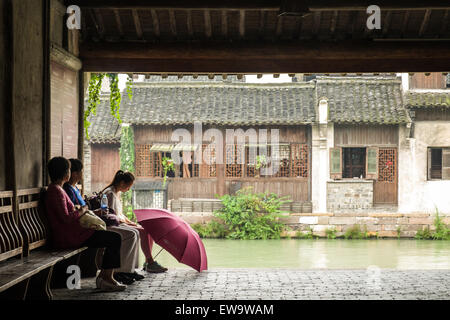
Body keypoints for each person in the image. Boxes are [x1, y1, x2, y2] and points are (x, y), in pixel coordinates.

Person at [44, 157, 126, 292]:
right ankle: (106, 278)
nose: (69, 173)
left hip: (74, 233)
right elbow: (65, 218)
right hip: (69, 236)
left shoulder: (57, 189)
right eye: (69, 170)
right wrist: (82, 210)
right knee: (114, 238)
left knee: (113, 238)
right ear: (65, 173)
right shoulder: (56, 191)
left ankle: (106, 278)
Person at [63, 159, 144, 285]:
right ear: (73, 174)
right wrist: (91, 211)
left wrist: (92, 211)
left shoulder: (73, 189)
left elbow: (83, 210)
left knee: (133, 233)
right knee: (123, 236)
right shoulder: (68, 190)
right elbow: (75, 212)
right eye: (81, 171)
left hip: (93, 221)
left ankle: (127, 270)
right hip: (87, 227)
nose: (82, 174)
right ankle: (117, 272)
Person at [102, 170, 168, 273]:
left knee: (147, 230)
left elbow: (120, 214)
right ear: (122, 183)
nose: (128, 189)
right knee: (143, 231)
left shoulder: (116, 193)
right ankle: (150, 262)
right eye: (128, 186)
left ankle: (148, 262)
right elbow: (112, 216)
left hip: (120, 222)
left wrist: (131, 222)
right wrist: (128, 223)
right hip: (113, 224)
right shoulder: (110, 194)